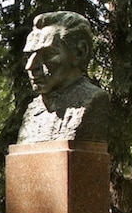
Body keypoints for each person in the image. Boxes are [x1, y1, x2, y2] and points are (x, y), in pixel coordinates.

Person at [16, 11, 109, 144]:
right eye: (29, 56)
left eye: (48, 54)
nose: (30, 66)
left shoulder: (93, 101)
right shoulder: (33, 111)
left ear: (79, 52)